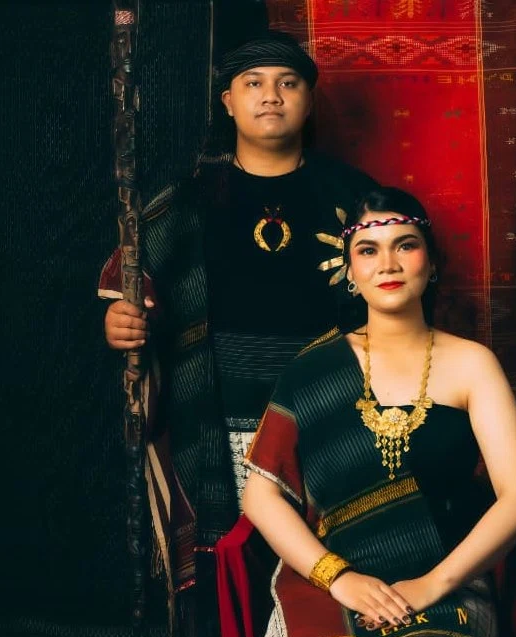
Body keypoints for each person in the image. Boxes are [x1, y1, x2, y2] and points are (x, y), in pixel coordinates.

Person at [238, 186, 516, 637]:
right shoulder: (312, 369)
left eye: (405, 245)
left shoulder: (471, 364)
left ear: (431, 263)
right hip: (334, 582)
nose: (388, 263)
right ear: (349, 272)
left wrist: (432, 585)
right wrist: (341, 579)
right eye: (368, 250)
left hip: (448, 582)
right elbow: (260, 493)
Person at [98, 30, 376, 596]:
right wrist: (121, 322)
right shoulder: (191, 199)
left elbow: (400, 290)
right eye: (253, 84)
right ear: (228, 101)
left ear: (308, 100)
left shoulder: (353, 198)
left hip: (330, 414)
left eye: (288, 83)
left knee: (330, 570)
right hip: (220, 420)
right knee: (234, 576)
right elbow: (130, 282)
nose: (271, 95)